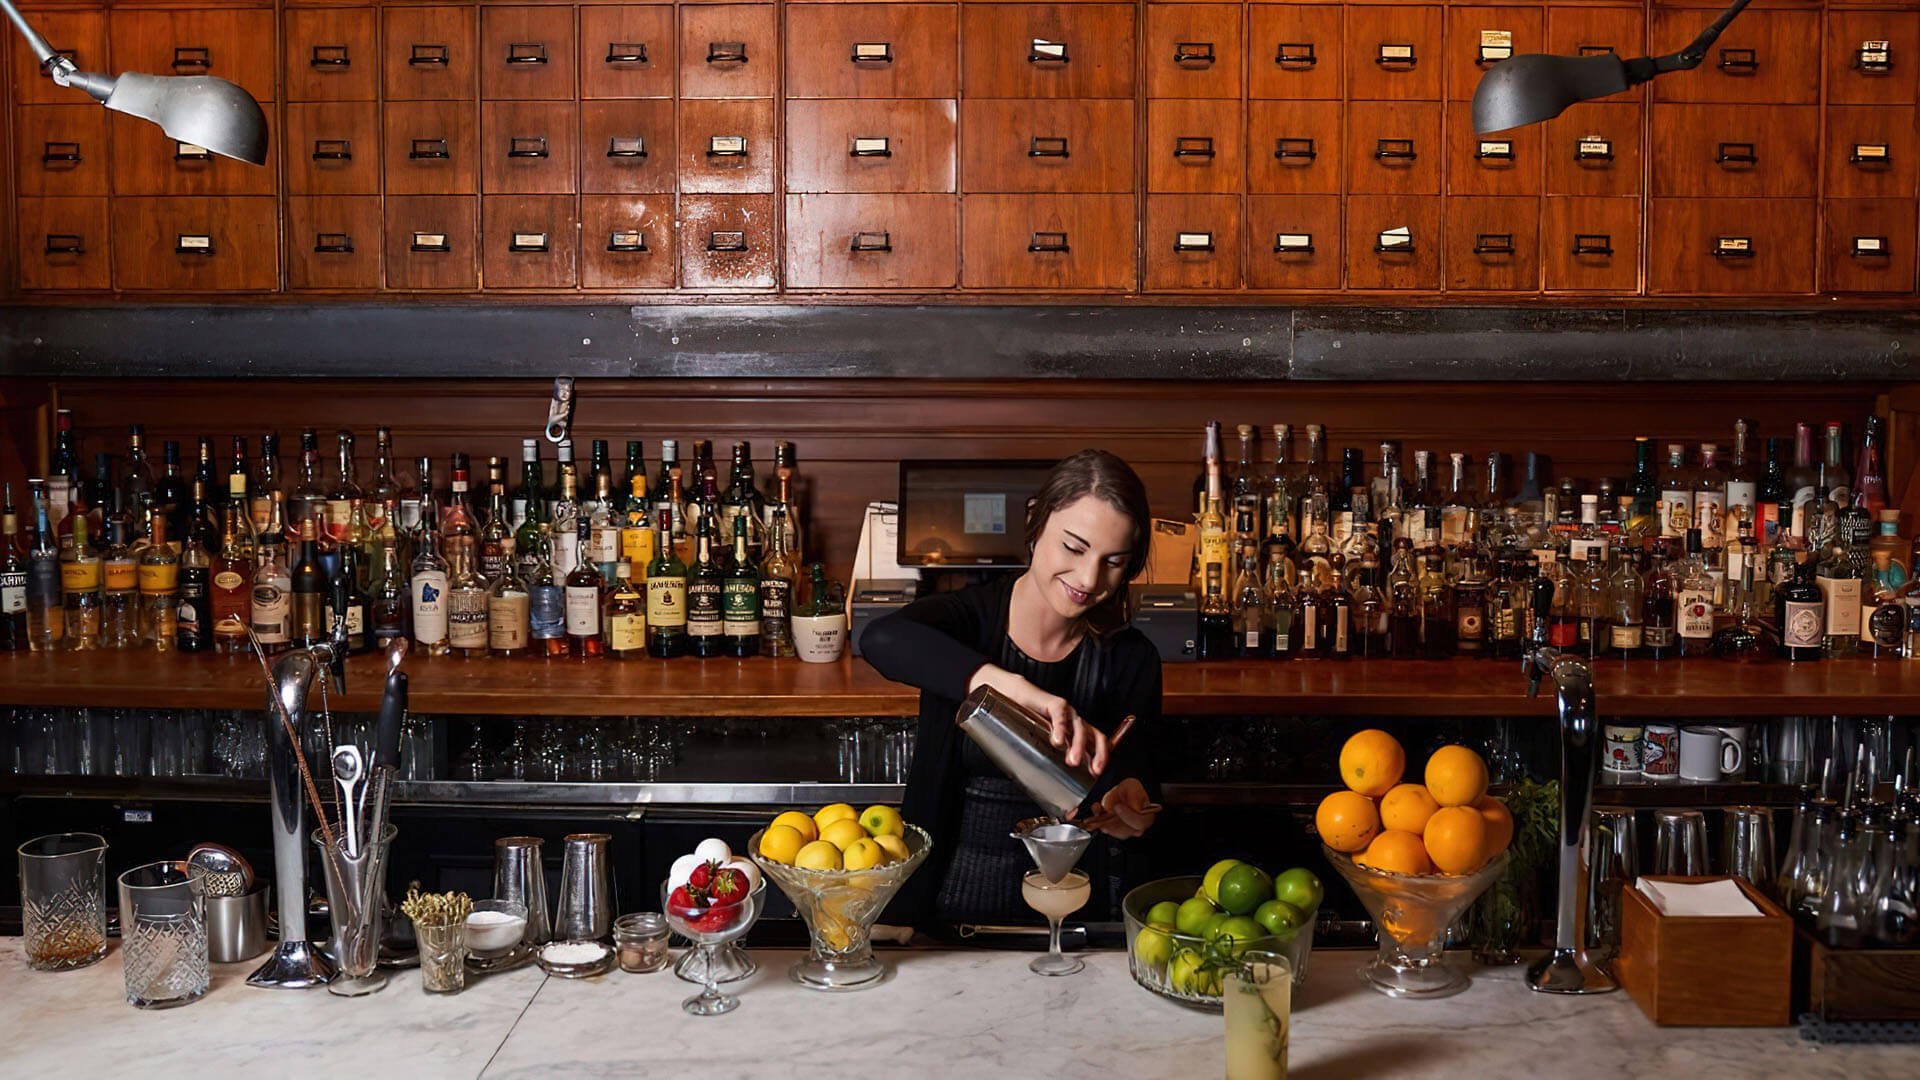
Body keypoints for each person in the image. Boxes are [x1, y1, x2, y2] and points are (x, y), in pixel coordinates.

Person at [862, 449, 1163, 927]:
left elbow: (1140, 787)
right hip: (948, 909)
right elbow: (879, 639)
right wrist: (1011, 687)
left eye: (1114, 561)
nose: (1089, 579)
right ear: (1034, 521)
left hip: (1076, 913)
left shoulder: (1131, 657)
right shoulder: (967, 621)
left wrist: (1132, 809)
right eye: (1074, 547)